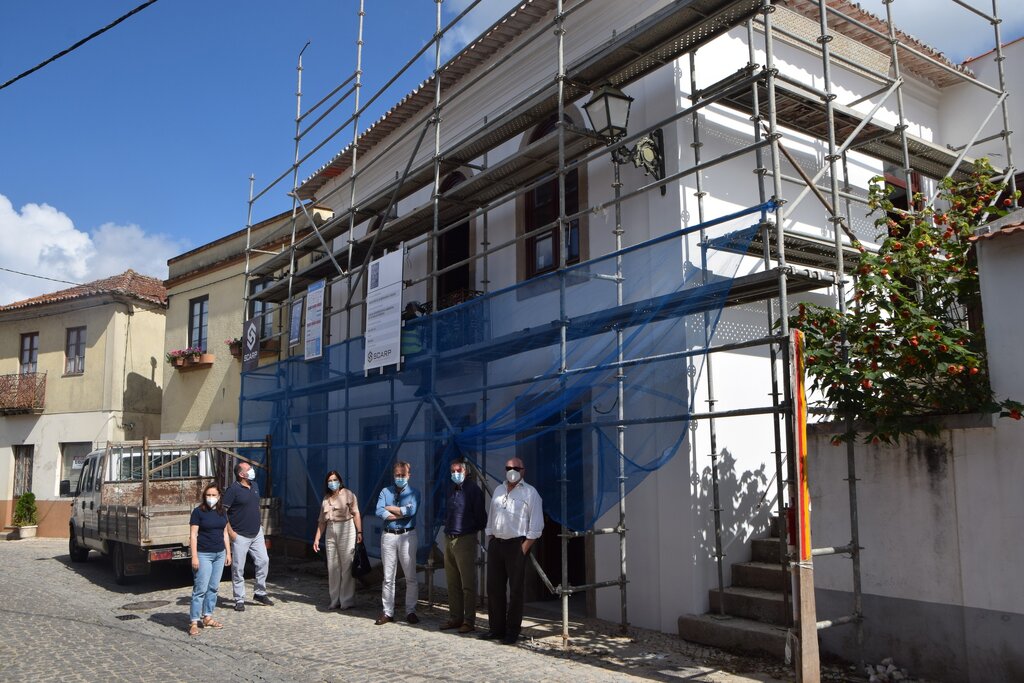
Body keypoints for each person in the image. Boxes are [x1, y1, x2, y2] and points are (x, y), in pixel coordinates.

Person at [479, 457, 544, 645]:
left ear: (523, 470)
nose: (511, 470)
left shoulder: (531, 493)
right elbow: (491, 516)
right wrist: (491, 536)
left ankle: (512, 631)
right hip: (497, 545)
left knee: (515, 590)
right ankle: (496, 629)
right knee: (494, 588)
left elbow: (536, 525)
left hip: (516, 546)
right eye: (508, 467)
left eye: (516, 467)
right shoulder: (499, 489)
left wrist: (523, 548)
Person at [439, 457, 487, 634]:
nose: (455, 474)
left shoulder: (473, 490)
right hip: (448, 537)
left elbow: (481, 518)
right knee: (452, 581)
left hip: (465, 539)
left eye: (458, 471)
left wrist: (468, 530)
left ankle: (469, 620)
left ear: (466, 472)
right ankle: (455, 617)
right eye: (452, 471)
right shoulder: (451, 489)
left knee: (467, 583)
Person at [374, 460, 420, 625]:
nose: (400, 477)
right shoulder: (385, 491)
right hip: (389, 535)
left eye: (403, 475)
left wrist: (389, 508)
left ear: (409, 475)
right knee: (388, 577)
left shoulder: (415, 493)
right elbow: (379, 510)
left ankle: (411, 611)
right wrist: (400, 513)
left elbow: (411, 511)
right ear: (393, 475)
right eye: (397, 475)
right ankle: (388, 612)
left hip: (407, 535)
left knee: (410, 576)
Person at [223, 461, 273, 611]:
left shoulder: (255, 486)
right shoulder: (233, 490)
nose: (252, 470)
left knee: (264, 560)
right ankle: (239, 599)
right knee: (238, 568)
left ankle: (260, 592)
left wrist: (260, 524)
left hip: (256, 532)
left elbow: (255, 505)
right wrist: (231, 532)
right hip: (240, 535)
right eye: (248, 469)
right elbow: (223, 511)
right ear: (241, 474)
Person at [312, 470, 363, 610]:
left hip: (347, 527)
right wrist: (317, 539)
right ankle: (334, 599)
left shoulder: (348, 494)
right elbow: (321, 521)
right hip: (330, 529)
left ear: (340, 481)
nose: (332, 483)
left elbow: (356, 513)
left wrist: (359, 531)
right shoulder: (325, 498)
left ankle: (346, 600)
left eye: (334, 480)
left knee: (347, 564)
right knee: (332, 566)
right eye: (329, 480)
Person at [187, 483, 232, 637]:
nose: (211, 498)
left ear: (219, 497)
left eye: (214, 495)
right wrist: (194, 556)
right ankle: (194, 621)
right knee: (200, 588)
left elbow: (225, 533)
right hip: (203, 554)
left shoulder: (222, 512)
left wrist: (228, 553)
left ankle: (207, 617)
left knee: (213, 587)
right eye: (208, 495)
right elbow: (193, 535)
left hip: (219, 554)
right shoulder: (198, 512)